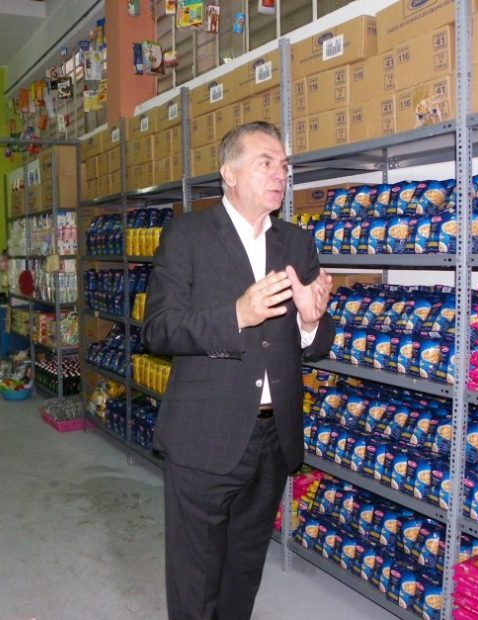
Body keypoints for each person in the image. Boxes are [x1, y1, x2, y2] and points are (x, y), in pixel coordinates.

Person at [142, 121, 334, 620]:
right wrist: (236, 316)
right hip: (205, 435)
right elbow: (158, 329)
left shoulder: (297, 242)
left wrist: (311, 322)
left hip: (273, 438)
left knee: (244, 567)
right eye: (265, 163)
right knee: (195, 576)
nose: (280, 175)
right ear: (229, 173)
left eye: (284, 165)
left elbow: (315, 344)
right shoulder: (187, 235)